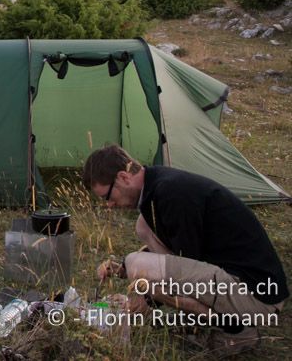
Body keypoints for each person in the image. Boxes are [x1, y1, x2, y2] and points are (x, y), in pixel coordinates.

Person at [82, 145, 287, 355]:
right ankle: (212, 321)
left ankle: (237, 329)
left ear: (124, 177)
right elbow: (179, 258)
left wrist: (146, 294)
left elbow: (186, 264)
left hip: (257, 294)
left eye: (107, 197)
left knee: (138, 265)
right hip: (236, 279)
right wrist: (124, 269)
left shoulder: (171, 193)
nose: (109, 205)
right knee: (142, 229)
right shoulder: (157, 186)